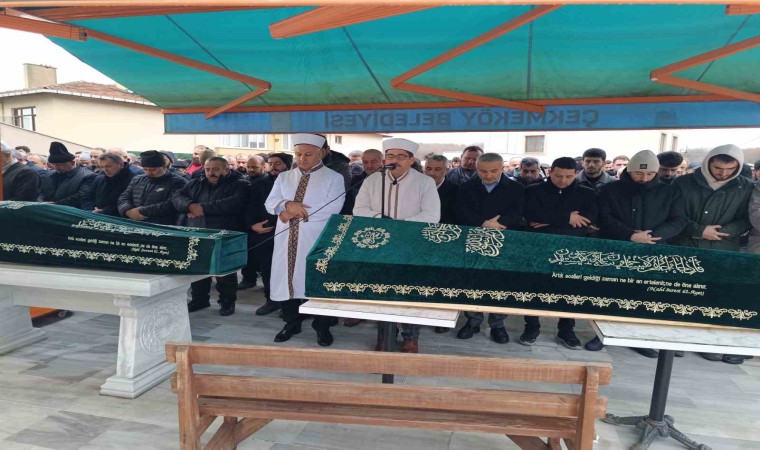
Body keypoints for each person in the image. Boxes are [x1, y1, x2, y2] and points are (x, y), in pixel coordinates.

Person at [585, 150, 688, 357]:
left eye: (650, 174)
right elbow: (604, 217)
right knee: (612, 292)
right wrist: (630, 235)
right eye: (639, 173)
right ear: (630, 170)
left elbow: (679, 220)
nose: (644, 178)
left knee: (644, 294)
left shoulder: (669, 192)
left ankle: (637, 337)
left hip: (653, 249)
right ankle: (603, 334)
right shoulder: (610, 190)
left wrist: (651, 236)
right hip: (618, 246)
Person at [354, 138, 440, 353]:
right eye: (391, 156)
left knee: (411, 290)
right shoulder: (373, 180)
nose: (395, 160)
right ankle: (385, 335)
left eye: (401, 156)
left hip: (411, 243)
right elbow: (359, 209)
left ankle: (411, 336)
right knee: (382, 289)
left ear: (411, 160)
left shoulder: (425, 182)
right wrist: (379, 219)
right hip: (379, 242)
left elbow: (432, 215)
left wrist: (400, 225)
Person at [671, 144, 752, 365]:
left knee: (713, 298)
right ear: (708, 163)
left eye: (730, 169)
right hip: (685, 246)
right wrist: (699, 230)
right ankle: (677, 342)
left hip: (722, 248)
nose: (723, 173)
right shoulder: (683, 183)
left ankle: (705, 344)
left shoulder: (745, 186)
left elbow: (747, 218)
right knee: (681, 295)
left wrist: (726, 231)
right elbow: (674, 213)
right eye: (718, 168)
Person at [266, 134, 345, 347]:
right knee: (286, 279)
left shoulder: (334, 178)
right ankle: (292, 322)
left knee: (315, 280)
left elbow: (332, 208)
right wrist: (285, 205)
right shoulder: (284, 177)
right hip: (286, 238)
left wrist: (291, 212)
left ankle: (322, 326)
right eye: (298, 154)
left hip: (315, 237)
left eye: (308, 154)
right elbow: (270, 202)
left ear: (322, 153)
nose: (302, 158)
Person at [522, 157, 598, 349]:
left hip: (571, 248)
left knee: (568, 290)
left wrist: (548, 219)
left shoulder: (587, 193)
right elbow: (531, 215)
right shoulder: (534, 190)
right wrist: (567, 217)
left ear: (576, 174)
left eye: (568, 176)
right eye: (558, 176)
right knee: (534, 289)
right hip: (539, 247)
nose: (563, 180)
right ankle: (531, 327)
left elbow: (588, 219)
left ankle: (566, 330)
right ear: (550, 172)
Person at [455, 153, 524, 345]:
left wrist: (499, 223)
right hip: (474, 238)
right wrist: (483, 223)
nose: (489, 175)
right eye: (483, 171)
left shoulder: (516, 188)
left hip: (503, 239)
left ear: (502, 168)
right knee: (472, 281)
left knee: (500, 283)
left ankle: (498, 324)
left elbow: (518, 212)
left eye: (494, 171)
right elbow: (460, 212)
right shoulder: (466, 187)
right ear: (477, 169)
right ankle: (473, 321)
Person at [173, 157, 249, 316]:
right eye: (208, 169)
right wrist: (190, 206)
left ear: (226, 169)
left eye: (215, 169)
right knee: (198, 268)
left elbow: (233, 203)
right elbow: (177, 197)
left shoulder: (240, 184)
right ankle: (199, 299)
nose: (211, 173)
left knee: (224, 271)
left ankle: (227, 301)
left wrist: (202, 208)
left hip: (224, 232)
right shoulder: (195, 183)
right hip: (197, 231)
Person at [243, 153, 293, 316]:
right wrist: (252, 225)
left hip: (289, 232)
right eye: (270, 163)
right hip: (265, 232)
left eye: (278, 163)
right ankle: (271, 300)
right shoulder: (259, 184)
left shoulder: (294, 182)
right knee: (267, 269)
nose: (273, 167)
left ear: (287, 165)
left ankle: (290, 305)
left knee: (289, 269)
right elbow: (249, 207)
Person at [118, 150, 188, 225]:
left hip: (162, 225)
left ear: (164, 167)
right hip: (135, 223)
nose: (149, 173)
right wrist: (127, 210)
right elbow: (124, 197)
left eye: (153, 170)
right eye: (145, 169)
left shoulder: (178, 182)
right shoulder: (137, 179)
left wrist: (142, 211)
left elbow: (173, 204)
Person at [238, 155, 271, 290]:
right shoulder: (243, 181)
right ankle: (248, 278)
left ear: (264, 167)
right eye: (249, 167)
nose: (251, 169)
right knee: (247, 254)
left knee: (263, 258)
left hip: (262, 224)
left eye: (255, 167)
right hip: (245, 223)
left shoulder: (268, 183)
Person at [39, 142, 96, 210]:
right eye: (54, 164)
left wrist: (55, 204)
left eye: (61, 165)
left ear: (72, 162)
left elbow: (81, 196)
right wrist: (40, 202)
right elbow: (41, 192)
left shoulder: (87, 176)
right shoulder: (50, 174)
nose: (57, 167)